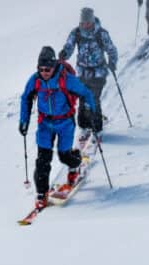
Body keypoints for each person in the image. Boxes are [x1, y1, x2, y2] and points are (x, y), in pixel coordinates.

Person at [19, 45, 96, 208]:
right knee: (42, 160)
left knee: (65, 156)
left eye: (47, 68)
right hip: (45, 124)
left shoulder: (66, 79)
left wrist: (90, 110)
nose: (44, 72)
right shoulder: (35, 80)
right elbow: (25, 98)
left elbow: (86, 93)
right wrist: (23, 121)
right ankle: (41, 194)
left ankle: (76, 166)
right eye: (41, 68)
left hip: (65, 123)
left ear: (54, 66)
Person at [59, 7, 117, 141]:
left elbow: (111, 49)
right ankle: (84, 127)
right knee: (83, 99)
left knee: (93, 100)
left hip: (98, 72)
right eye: (83, 22)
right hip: (82, 72)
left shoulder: (101, 33)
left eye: (87, 22)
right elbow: (69, 46)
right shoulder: (76, 33)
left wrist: (112, 62)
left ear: (92, 21)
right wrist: (64, 54)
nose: (85, 25)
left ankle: (97, 129)